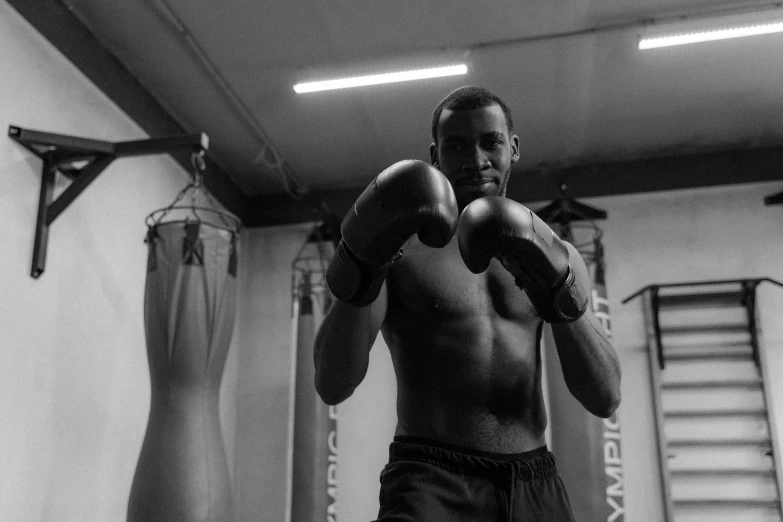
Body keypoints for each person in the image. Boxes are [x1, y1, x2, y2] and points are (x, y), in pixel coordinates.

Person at [314, 86, 621, 521]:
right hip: (430, 482)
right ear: (435, 155)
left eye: (490, 142)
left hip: (532, 480)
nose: (475, 160)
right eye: (456, 145)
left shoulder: (556, 253)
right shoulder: (401, 253)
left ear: (513, 148)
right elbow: (332, 383)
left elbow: (605, 396)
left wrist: (557, 291)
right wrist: (362, 265)